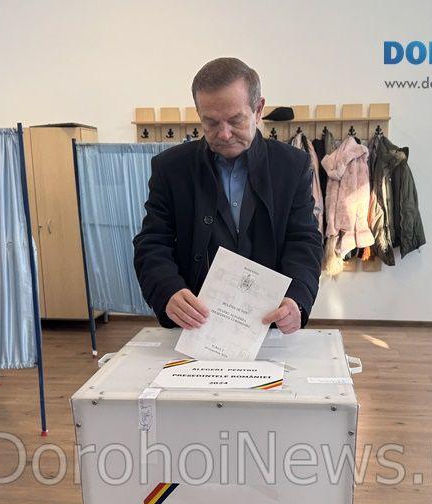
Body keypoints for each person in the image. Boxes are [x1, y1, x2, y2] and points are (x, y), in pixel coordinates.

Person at [133, 57, 323, 334]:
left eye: (236, 120)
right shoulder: (171, 168)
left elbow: (303, 240)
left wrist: (298, 298)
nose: (223, 134)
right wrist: (167, 290)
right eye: (210, 122)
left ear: (258, 109)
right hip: (195, 325)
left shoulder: (291, 166)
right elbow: (152, 242)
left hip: (269, 323)